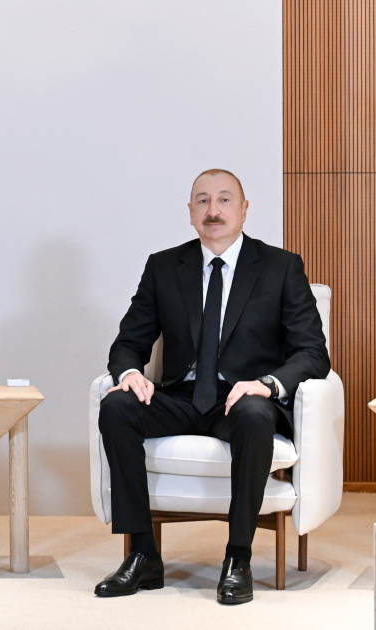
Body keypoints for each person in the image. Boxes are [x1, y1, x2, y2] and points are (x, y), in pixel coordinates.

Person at [95, 169, 330, 605]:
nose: (213, 210)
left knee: (254, 415)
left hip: (245, 398)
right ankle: (143, 554)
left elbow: (313, 353)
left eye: (224, 199)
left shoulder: (280, 267)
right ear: (190, 213)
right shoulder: (164, 266)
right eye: (202, 201)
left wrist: (268, 384)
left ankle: (238, 557)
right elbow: (128, 343)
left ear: (244, 209)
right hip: (182, 396)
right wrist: (129, 374)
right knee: (117, 407)